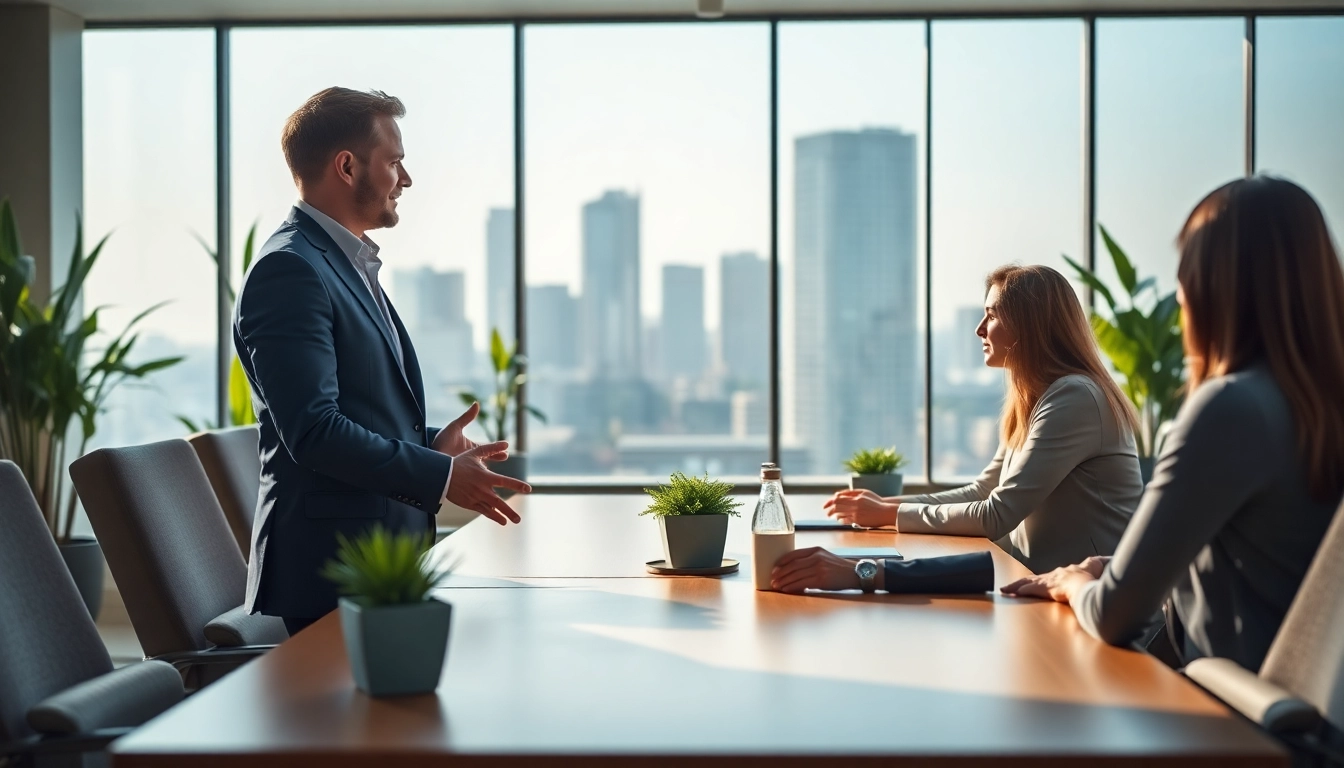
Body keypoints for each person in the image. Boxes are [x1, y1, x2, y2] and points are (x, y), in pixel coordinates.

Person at [1003, 177, 1344, 672]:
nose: (1180, 295)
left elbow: (1114, 616)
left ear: (1213, 288)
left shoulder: (1229, 409)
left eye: (1186, 271)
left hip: (1231, 725)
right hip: (1310, 730)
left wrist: (1072, 583)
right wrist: (1112, 570)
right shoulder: (1316, 405)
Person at [234, 87, 530, 636]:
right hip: (333, 571)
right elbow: (315, 432)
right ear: (347, 167)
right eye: (395, 162)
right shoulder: (290, 272)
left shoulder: (340, 263)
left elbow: (358, 410)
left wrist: (426, 443)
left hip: (377, 559)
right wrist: (440, 475)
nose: (407, 179)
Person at [783, 265, 1142, 595]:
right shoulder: (1037, 398)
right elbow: (985, 488)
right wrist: (888, 505)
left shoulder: (1075, 397)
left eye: (992, 315)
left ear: (1029, 325)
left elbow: (996, 514)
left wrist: (890, 515)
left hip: (1095, 601)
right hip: (1042, 588)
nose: (979, 329)